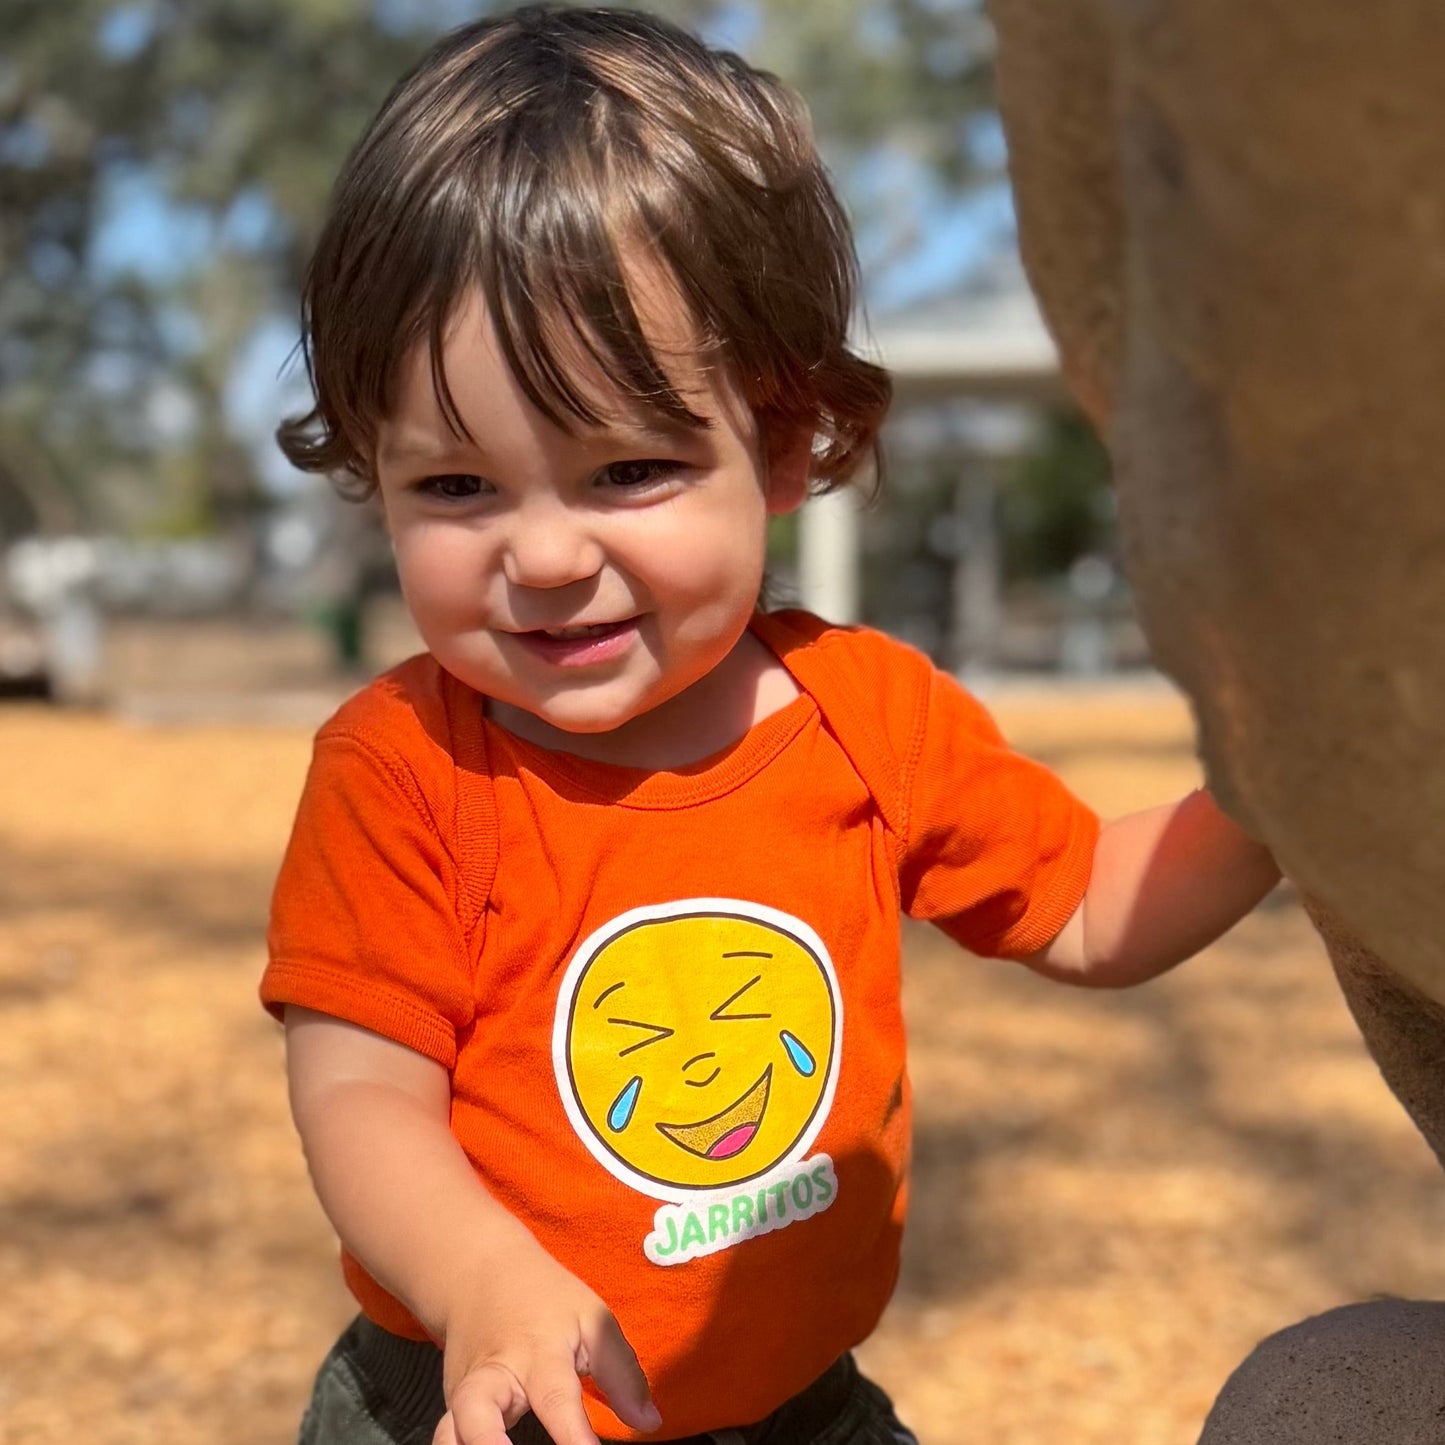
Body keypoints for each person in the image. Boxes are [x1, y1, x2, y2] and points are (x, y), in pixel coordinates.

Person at [261, 8, 1281, 1445]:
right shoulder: (406, 768)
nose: (543, 555)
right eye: (456, 488)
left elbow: (1090, 908)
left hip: (795, 1403)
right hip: (486, 1398)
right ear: (373, 474)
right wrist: (482, 1279)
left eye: (626, 467)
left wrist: (1280, 790)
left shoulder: (864, 715)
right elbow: (360, 1087)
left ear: (787, 437)